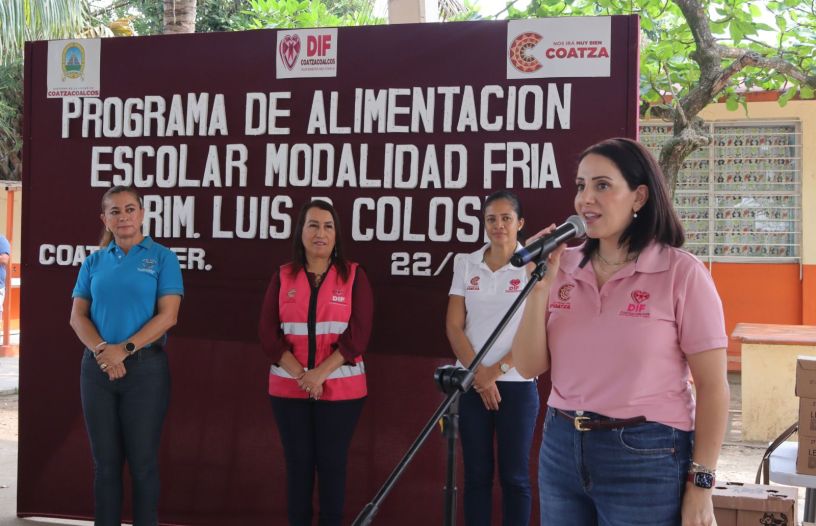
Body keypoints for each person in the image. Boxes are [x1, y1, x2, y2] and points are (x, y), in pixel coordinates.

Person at [512, 138, 730, 526]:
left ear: (639, 197)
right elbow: (529, 366)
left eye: (602, 185)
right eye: (581, 186)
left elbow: (713, 387)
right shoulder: (562, 266)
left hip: (646, 452)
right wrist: (539, 288)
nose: (585, 199)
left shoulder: (681, 273)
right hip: (562, 445)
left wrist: (701, 485)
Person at [69, 186, 183, 526]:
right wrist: (104, 352)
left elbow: (168, 316)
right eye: (115, 211)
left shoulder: (163, 258)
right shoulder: (94, 261)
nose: (123, 217)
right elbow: (77, 317)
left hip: (146, 372)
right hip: (97, 371)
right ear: (104, 219)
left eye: (130, 209)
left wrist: (124, 350)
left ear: (142, 214)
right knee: (105, 466)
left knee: (143, 465)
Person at [258, 199, 373, 526]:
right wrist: (303, 376)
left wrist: (319, 374)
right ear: (301, 232)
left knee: (332, 465)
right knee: (298, 466)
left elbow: (358, 336)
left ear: (336, 234)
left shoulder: (354, 276)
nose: (320, 233)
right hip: (288, 390)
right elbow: (268, 334)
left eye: (327, 226)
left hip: (342, 393)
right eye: (313, 225)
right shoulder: (282, 276)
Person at [446, 190, 539, 526]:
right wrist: (478, 375)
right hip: (471, 383)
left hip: (516, 383)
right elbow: (454, 326)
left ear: (520, 223)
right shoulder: (466, 263)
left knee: (515, 478)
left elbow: (536, 331)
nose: (498, 225)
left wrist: (495, 372)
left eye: (506, 218)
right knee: (476, 476)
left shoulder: (533, 265)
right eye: (491, 219)